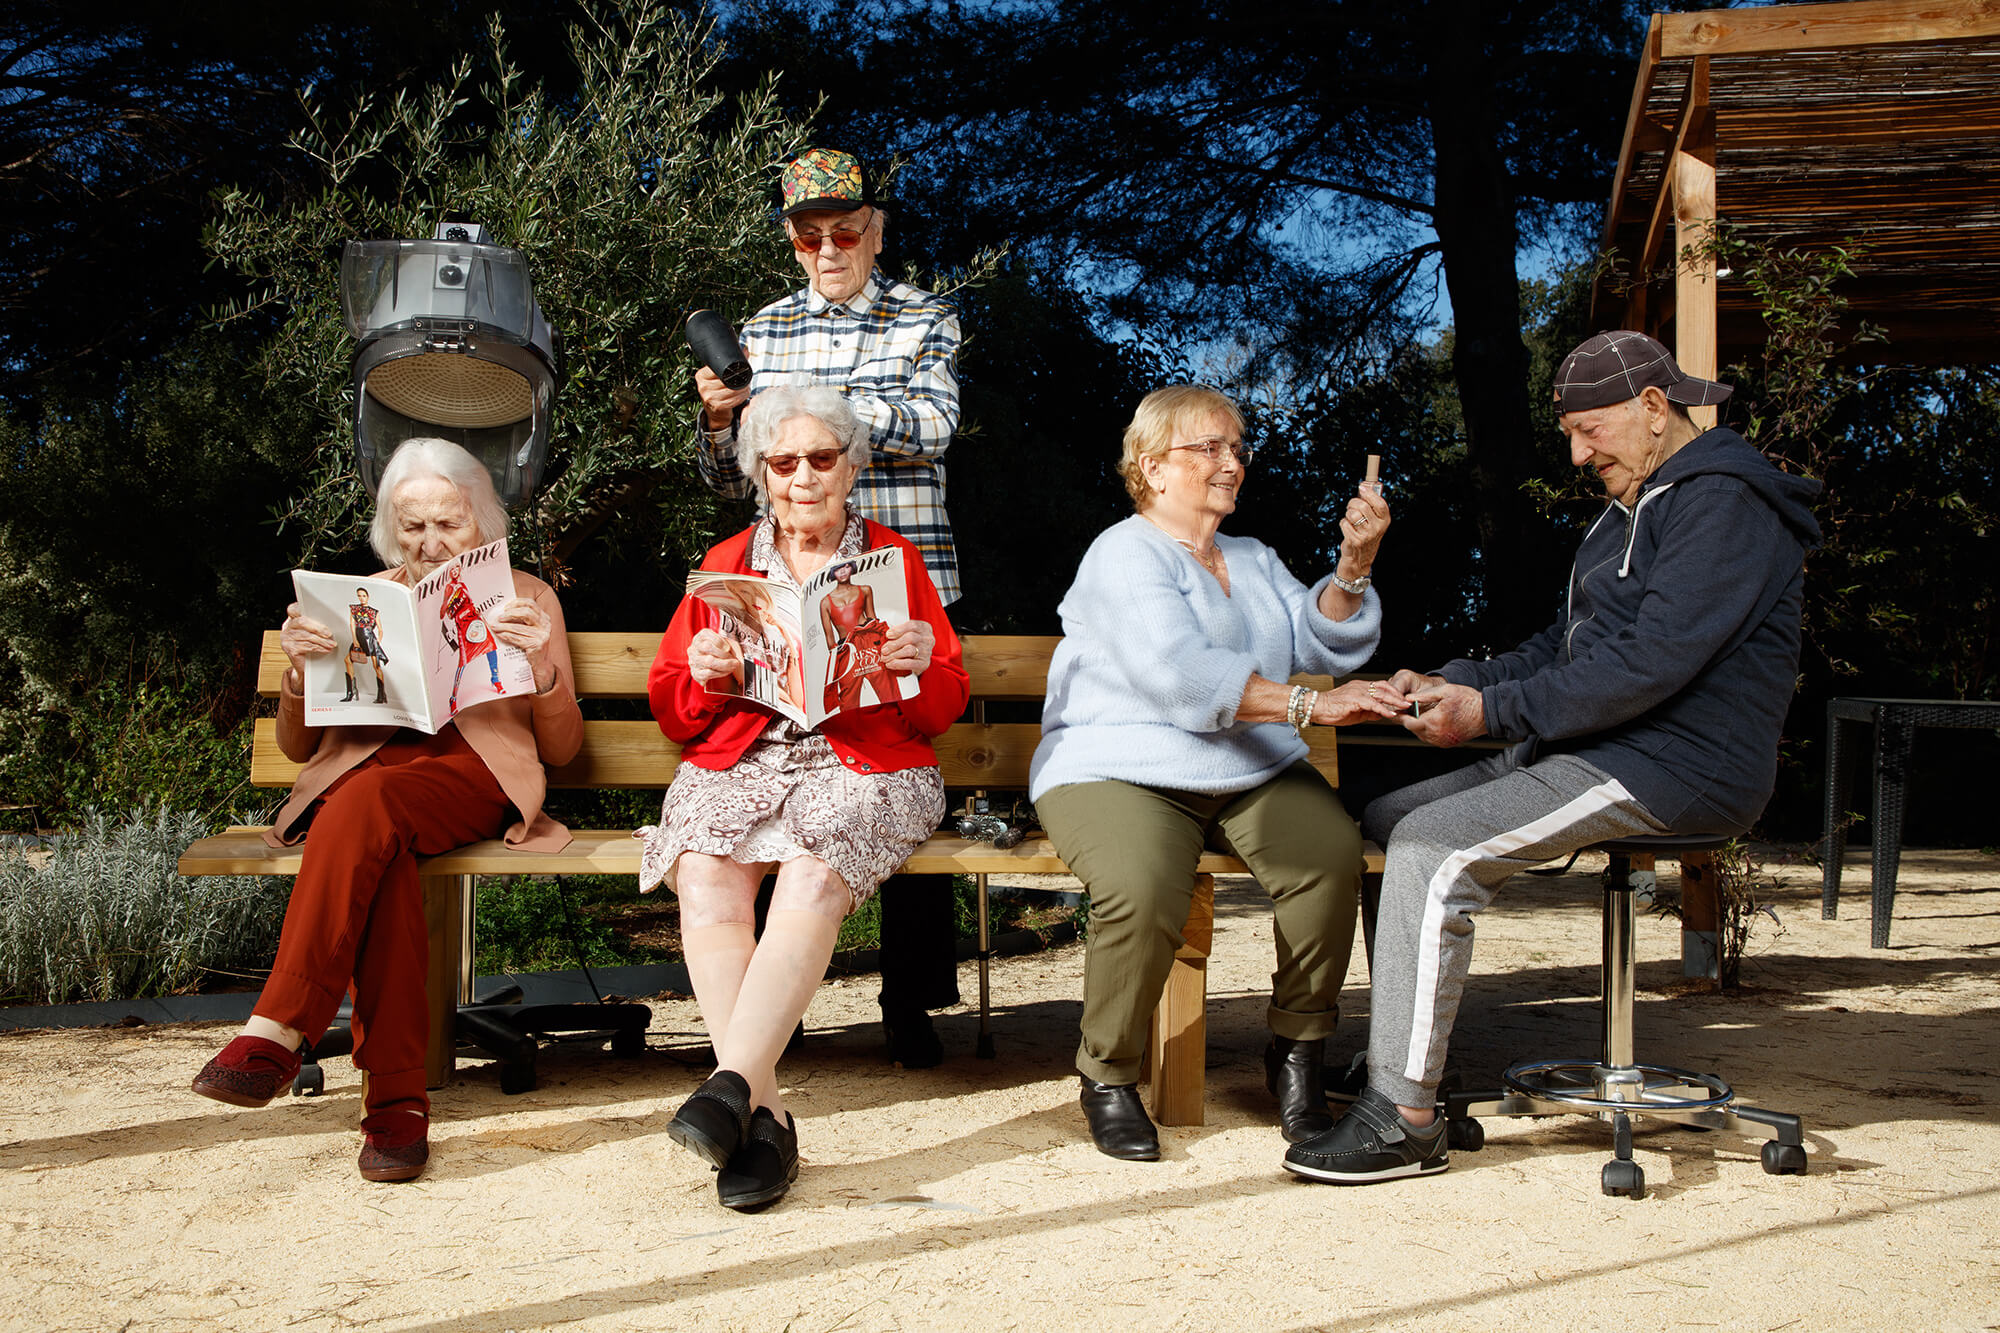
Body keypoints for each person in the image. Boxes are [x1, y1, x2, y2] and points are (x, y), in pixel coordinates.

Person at [1283, 331, 1822, 1186]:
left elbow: (1649, 664)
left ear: (1653, 408)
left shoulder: (1723, 505)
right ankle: (1413, 1056)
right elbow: (1562, 647)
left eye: (1589, 429)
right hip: (1598, 743)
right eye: (1567, 433)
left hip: (1674, 765)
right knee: (1389, 816)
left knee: (1433, 847)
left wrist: (1490, 711)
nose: (1576, 453)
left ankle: (1405, 1118)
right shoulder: (1630, 511)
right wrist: (1458, 681)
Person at [190, 437, 584, 1184]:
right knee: (382, 845)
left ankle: (277, 1029)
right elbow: (303, 743)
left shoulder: (528, 597)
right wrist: (301, 674)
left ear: (483, 523)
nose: (430, 543)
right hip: (370, 785)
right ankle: (396, 1109)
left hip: (470, 777)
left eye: (448, 524)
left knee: (365, 805)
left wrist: (541, 673)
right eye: (412, 527)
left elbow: (561, 751)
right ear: (388, 529)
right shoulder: (362, 599)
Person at [1030, 385, 1404, 1161]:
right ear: (1153, 466)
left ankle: (1297, 1052)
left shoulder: (1250, 557)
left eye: (1237, 447)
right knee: (1141, 884)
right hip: (1117, 763)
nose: (1231, 461)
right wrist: (1313, 707)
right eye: (1210, 447)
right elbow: (1180, 673)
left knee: (1329, 857)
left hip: (1244, 763)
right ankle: (1108, 1074)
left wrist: (1355, 562)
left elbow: (1320, 639)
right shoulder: (1122, 553)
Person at [642, 387, 969, 1209]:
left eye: (822, 458)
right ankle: (763, 1112)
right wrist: (705, 675)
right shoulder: (727, 562)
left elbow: (941, 705)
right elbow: (673, 707)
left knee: (813, 872)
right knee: (707, 870)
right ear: (760, 473)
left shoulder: (893, 560)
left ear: (852, 466)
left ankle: (731, 1088)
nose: (802, 477)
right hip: (746, 754)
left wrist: (920, 659)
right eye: (783, 462)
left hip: (865, 761)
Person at [692, 145, 964, 1066]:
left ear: (874, 232)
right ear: (792, 242)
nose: (829, 246)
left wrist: (818, 417)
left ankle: (912, 1000)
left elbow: (934, 426)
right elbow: (731, 478)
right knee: (785, 752)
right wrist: (726, 418)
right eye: (810, 235)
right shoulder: (762, 328)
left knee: (892, 761)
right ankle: (780, 1013)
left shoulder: (923, 314)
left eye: (845, 230)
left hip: (902, 573)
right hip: (787, 574)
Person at [818, 559, 894, 713]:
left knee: (888, 689)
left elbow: (872, 618)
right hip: (847, 648)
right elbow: (829, 636)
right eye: (838, 569)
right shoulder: (825, 602)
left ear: (851, 567)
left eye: (846, 566)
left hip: (870, 642)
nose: (843, 571)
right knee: (848, 700)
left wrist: (883, 645)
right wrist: (838, 658)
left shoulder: (865, 589)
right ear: (833, 573)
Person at [344, 587, 390, 704]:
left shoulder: (374, 612)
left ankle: (381, 694)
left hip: (370, 640)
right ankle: (351, 692)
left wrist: (378, 641)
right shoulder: (354, 609)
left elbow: (380, 630)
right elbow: (352, 624)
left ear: (368, 597)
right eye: (359, 595)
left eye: (363, 595)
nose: (361, 598)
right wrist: (355, 640)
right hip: (358, 638)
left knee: (376, 666)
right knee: (348, 660)